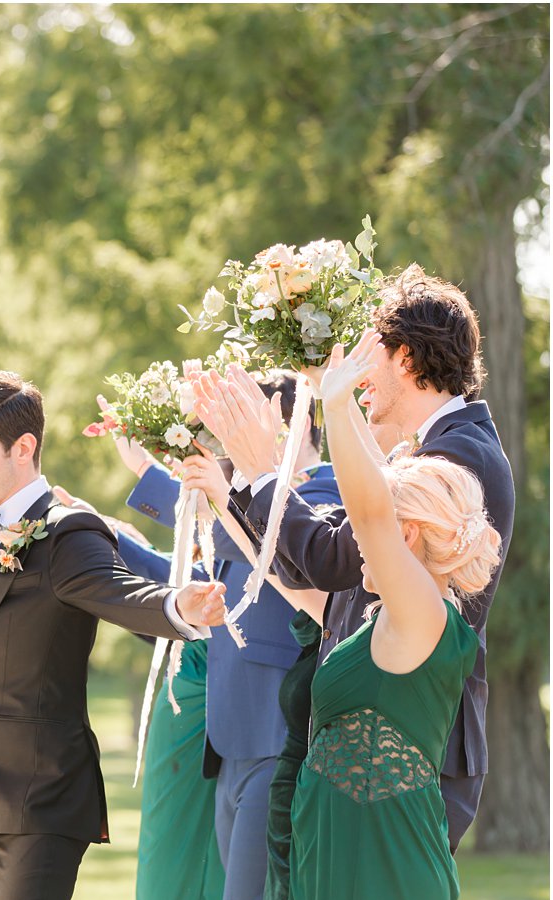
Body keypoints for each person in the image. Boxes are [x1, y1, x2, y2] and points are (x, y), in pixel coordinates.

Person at [0, 370, 229, 900]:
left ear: (24, 448)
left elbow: (123, 592)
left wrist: (181, 606)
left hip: (39, 800)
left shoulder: (67, 532)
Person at [195, 266, 514, 851]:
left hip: (409, 745)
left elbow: (338, 555)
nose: (359, 368)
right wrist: (248, 474)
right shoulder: (435, 447)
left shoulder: (461, 455)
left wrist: (265, 471)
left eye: (372, 350)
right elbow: (321, 568)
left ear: (408, 359)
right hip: (370, 734)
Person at [229, 336, 499, 900]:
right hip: (335, 852)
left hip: (384, 865)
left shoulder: (426, 615)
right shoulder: (383, 616)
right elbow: (300, 587)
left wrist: (334, 397)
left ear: (405, 537)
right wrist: (237, 482)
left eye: (367, 530)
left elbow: (373, 508)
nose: (354, 541)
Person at [113, 373, 339, 900]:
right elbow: (207, 577)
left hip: (277, 736)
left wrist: (221, 493)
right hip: (232, 739)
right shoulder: (251, 498)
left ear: (279, 419)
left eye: (233, 421)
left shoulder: (325, 495)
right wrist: (120, 527)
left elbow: (277, 557)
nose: (221, 440)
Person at [52, 488, 237, 900]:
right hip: (188, 693)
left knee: (215, 892)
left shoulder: (287, 483)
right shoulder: (233, 486)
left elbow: (226, 572)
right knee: (167, 887)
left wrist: (114, 531)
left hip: (228, 704)